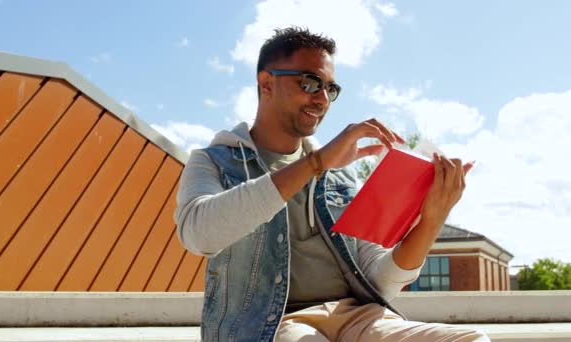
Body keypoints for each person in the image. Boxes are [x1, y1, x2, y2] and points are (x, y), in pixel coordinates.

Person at [175, 27, 488, 342]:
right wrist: (317, 163)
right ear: (267, 83)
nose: (322, 99)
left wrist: (432, 221)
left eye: (330, 88)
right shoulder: (213, 161)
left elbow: (381, 283)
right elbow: (199, 235)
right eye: (309, 82)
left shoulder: (339, 175)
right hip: (271, 326)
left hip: (357, 318)